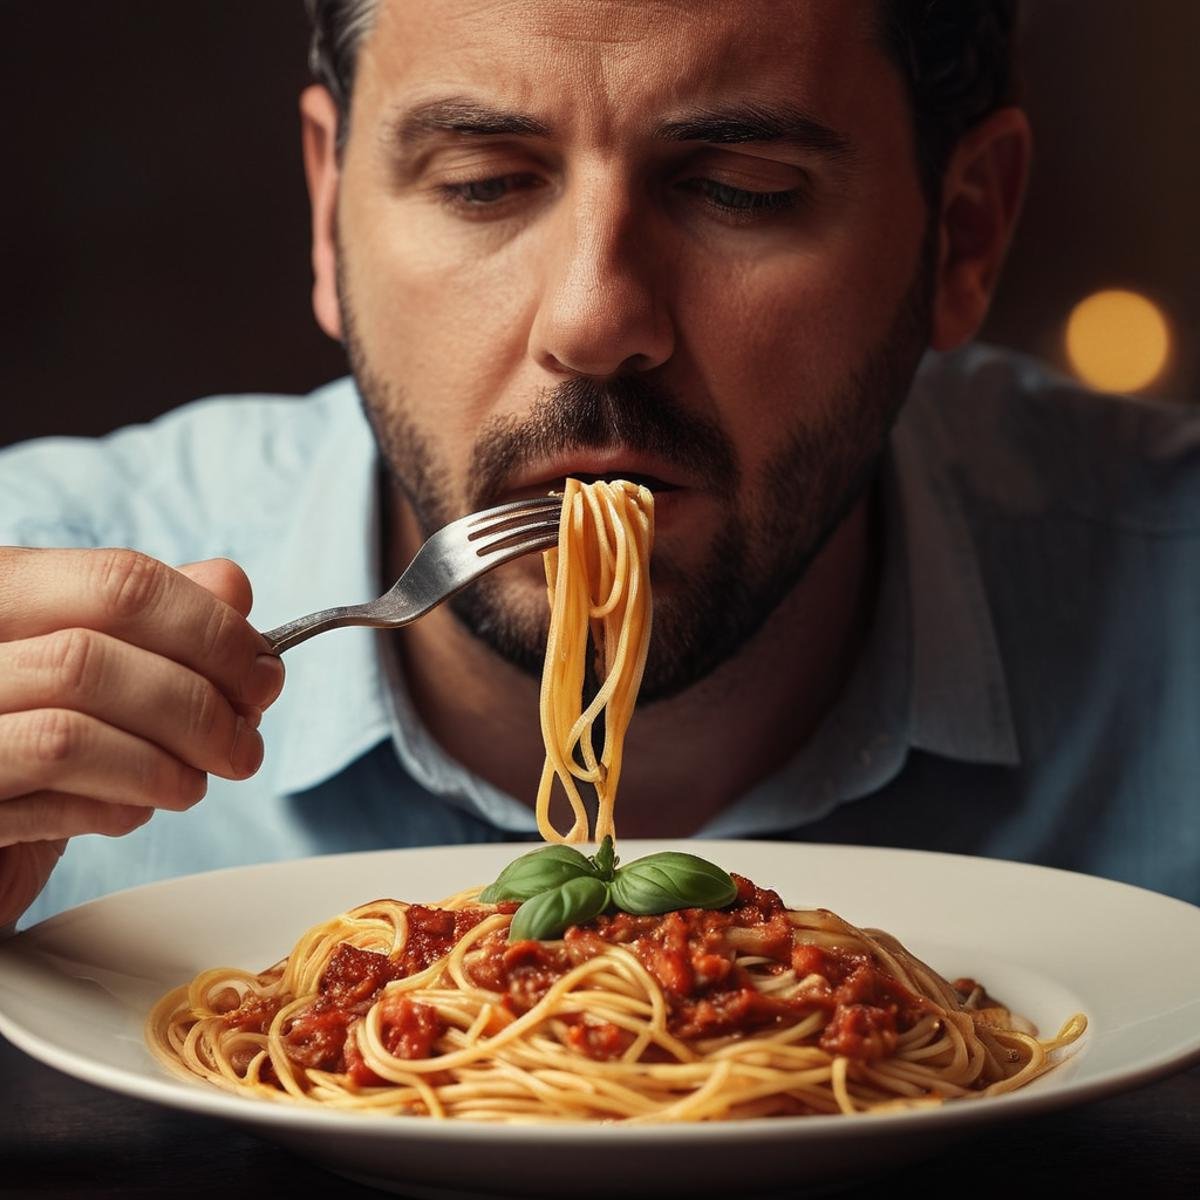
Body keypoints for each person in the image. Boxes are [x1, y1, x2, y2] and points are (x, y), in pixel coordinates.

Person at [2, 0, 1197, 934]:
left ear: (965, 231)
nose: (593, 319)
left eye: (743, 191)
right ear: (328, 213)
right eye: (482, 184)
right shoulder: (35, 593)